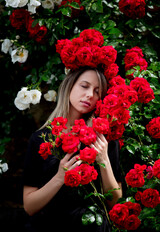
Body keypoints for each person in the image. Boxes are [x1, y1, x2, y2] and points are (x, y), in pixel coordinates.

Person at [23, 67, 122, 232]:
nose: (90, 94)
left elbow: (116, 203)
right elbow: (29, 206)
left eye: (97, 91)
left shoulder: (104, 140)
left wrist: (104, 159)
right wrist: (59, 178)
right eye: (84, 86)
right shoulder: (40, 139)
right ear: (69, 86)